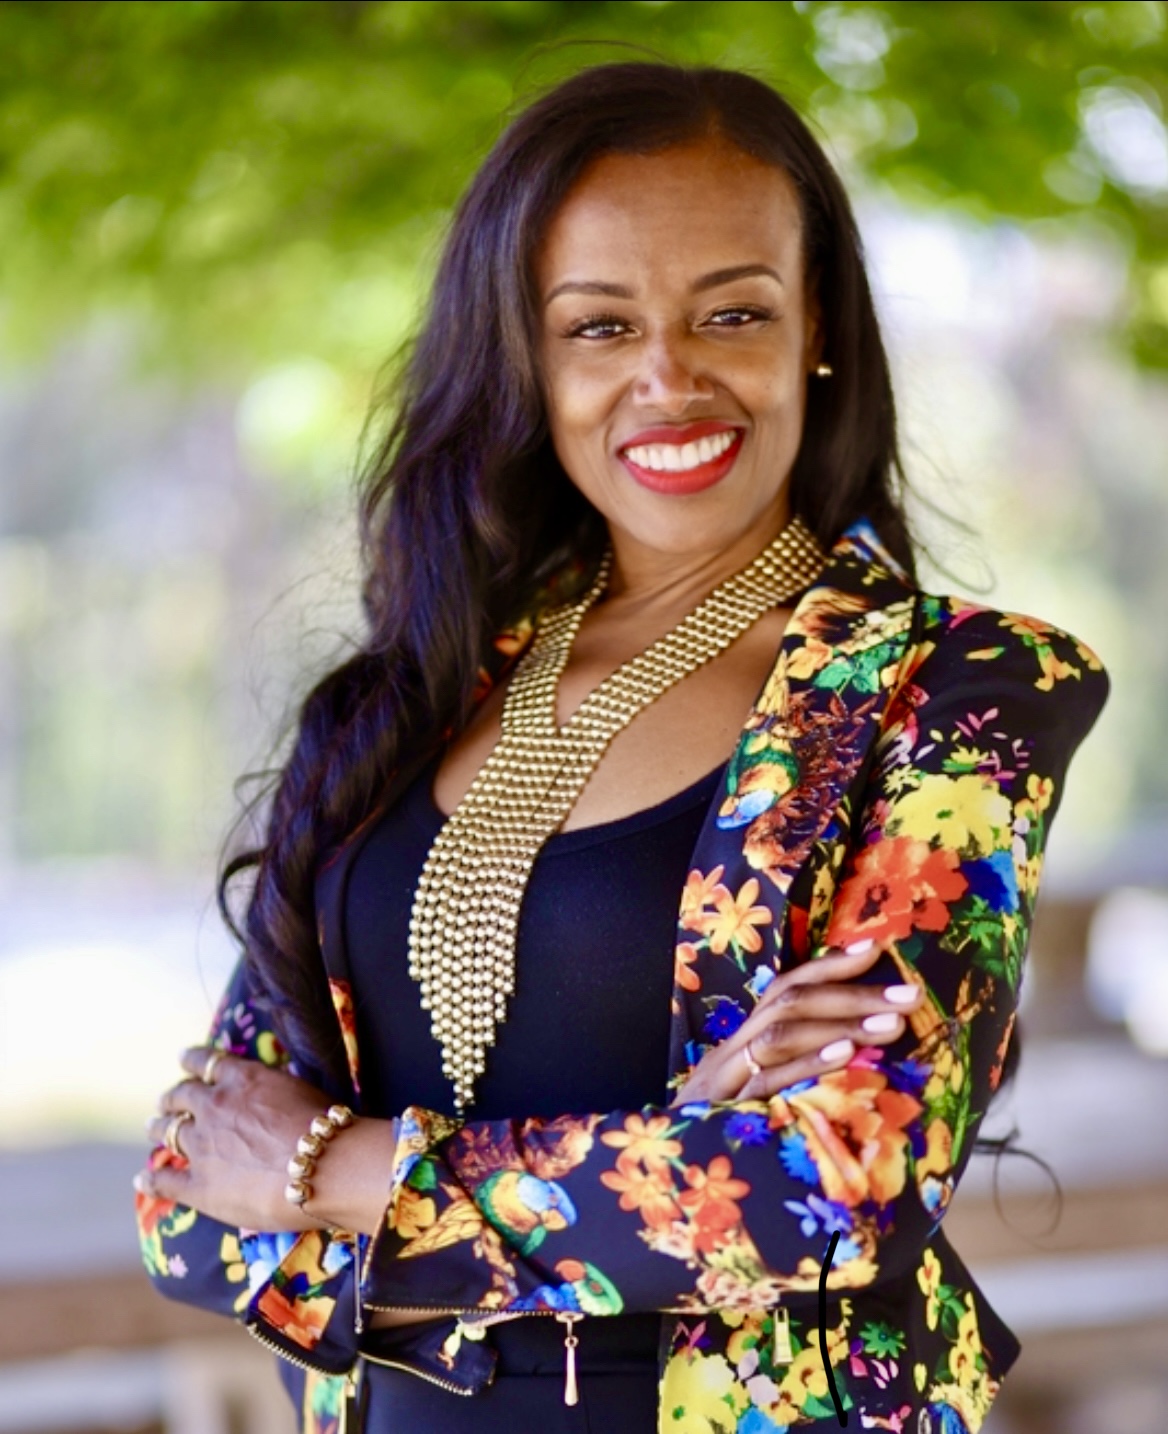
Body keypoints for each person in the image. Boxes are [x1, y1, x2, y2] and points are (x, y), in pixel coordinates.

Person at [133, 63, 1108, 1434]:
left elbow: (831, 1192)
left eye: (733, 311)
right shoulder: (392, 707)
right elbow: (187, 1208)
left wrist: (341, 1170)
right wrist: (676, 1143)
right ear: (527, 350)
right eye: (600, 326)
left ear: (816, 323)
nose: (669, 376)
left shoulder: (957, 692)